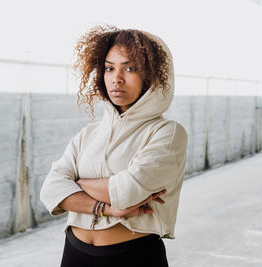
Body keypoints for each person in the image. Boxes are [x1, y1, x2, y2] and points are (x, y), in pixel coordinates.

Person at [40, 25, 188, 267]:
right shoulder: (89, 133)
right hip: (74, 252)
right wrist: (107, 209)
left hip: (132, 256)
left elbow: (127, 191)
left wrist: (75, 185)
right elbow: (50, 190)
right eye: (109, 68)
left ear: (152, 75)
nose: (116, 78)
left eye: (130, 68)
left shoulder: (167, 133)